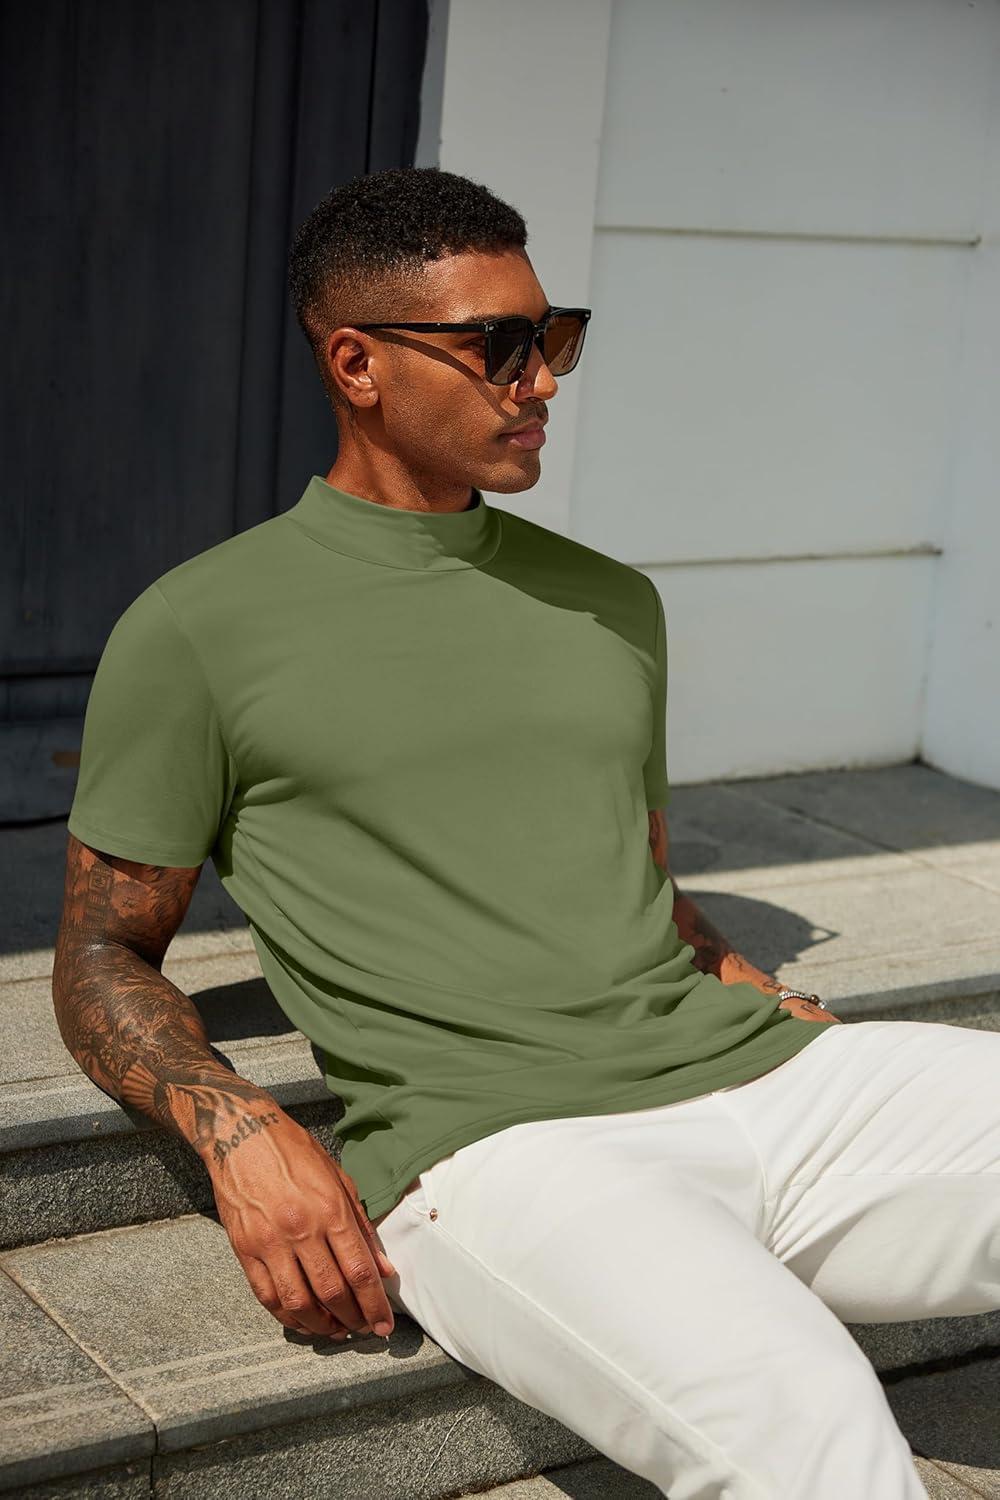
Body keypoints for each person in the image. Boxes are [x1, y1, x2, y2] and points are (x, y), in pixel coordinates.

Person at [53, 167, 998, 1500]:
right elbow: (102, 956)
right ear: (357, 364)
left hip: (767, 1088)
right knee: (820, 1441)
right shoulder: (196, 628)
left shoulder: (611, 603)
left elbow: (636, 876)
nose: (542, 380)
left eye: (555, 337)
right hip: (506, 1155)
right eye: (501, 345)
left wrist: (743, 982)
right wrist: (239, 1131)